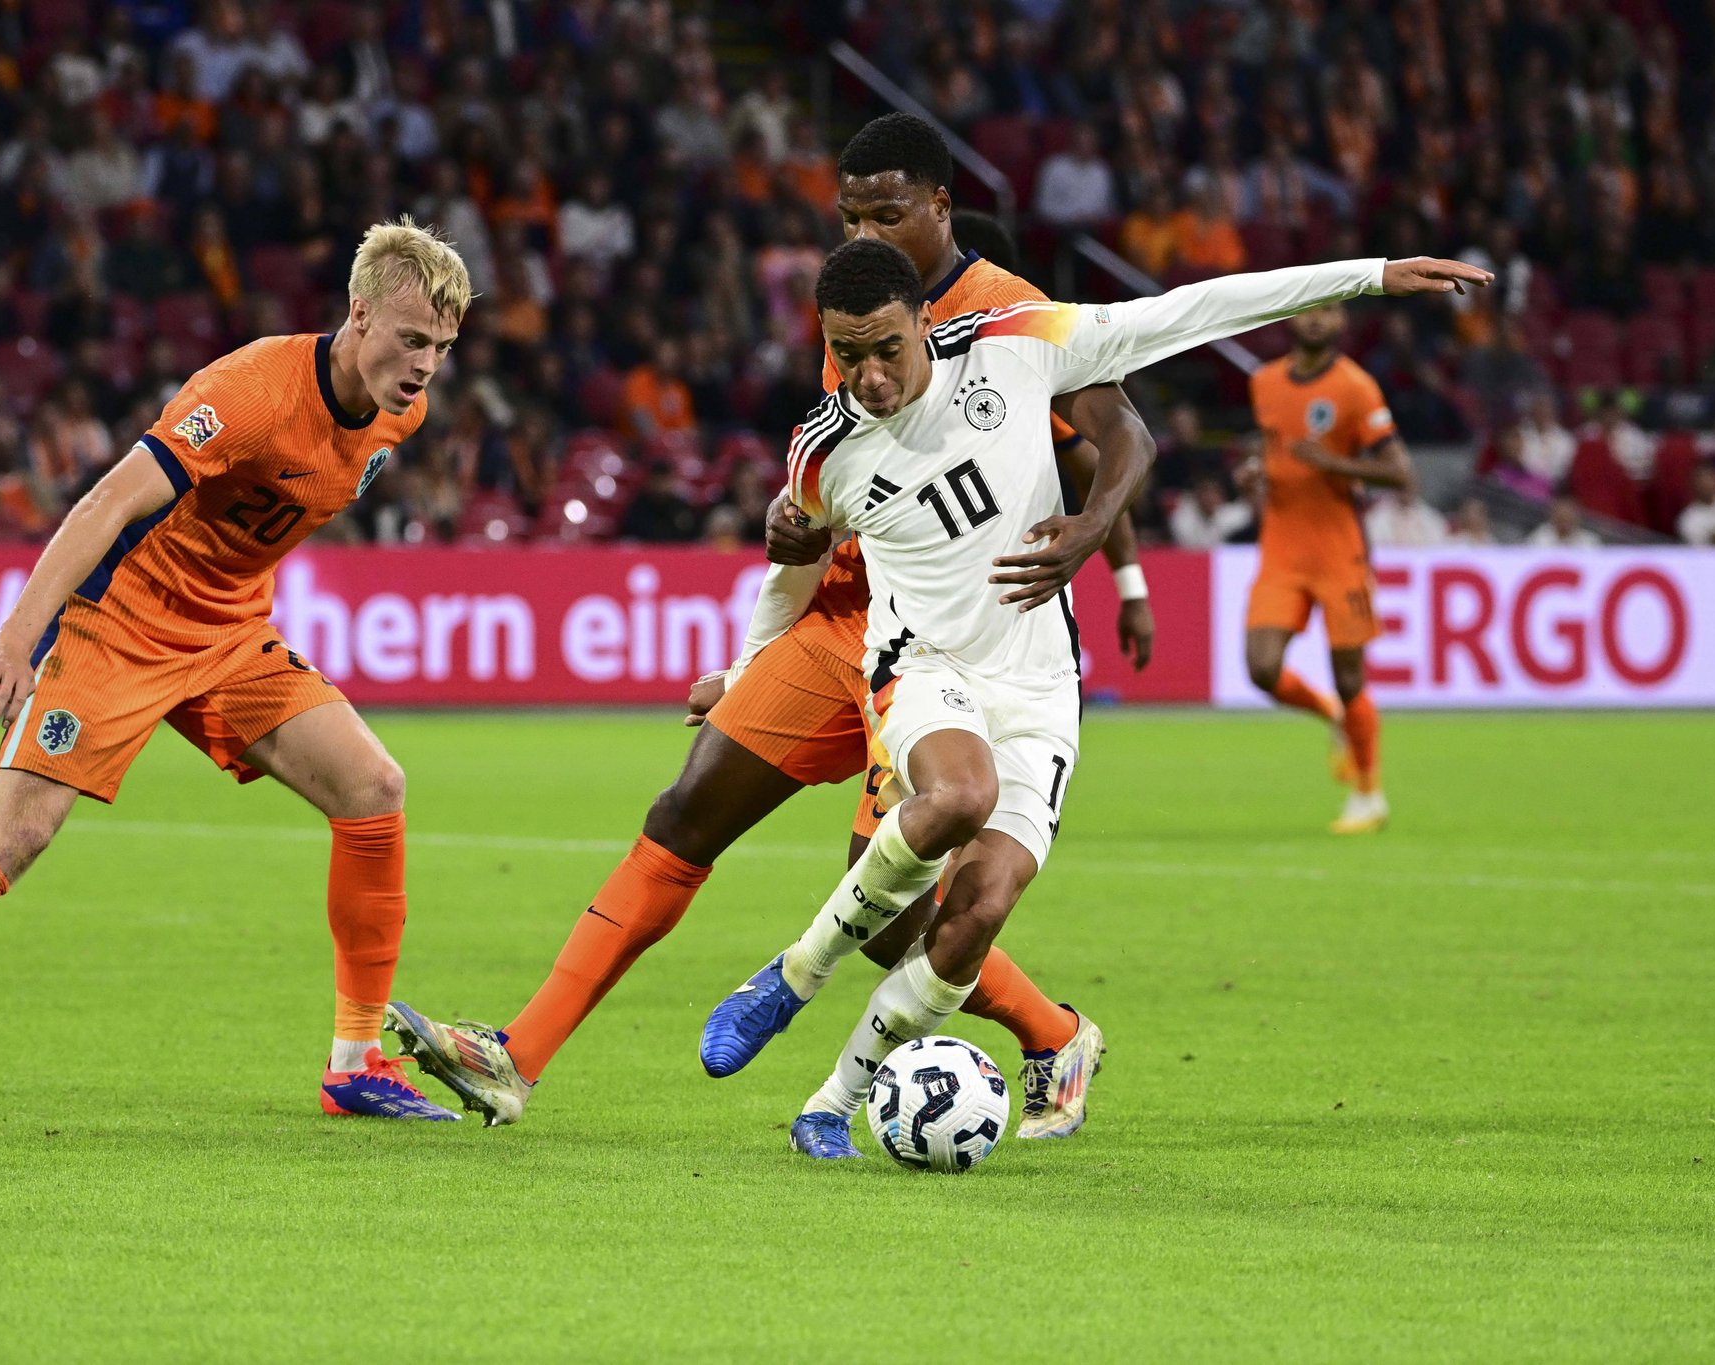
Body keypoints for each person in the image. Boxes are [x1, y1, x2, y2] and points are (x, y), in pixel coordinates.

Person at [385, 114, 1156, 1140]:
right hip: (838, 618)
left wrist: (1123, 566)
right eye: (848, 213)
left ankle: (1052, 1033)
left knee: (886, 916)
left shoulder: (1011, 319)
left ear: (940, 206)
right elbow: (831, 493)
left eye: (886, 211)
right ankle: (514, 1056)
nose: (862, 228)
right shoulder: (853, 306)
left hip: (938, 646)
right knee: (686, 811)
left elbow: (1116, 434)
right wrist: (754, 635)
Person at [697, 238, 1492, 1158]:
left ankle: (832, 1102)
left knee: (981, 907)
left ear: (926, 321)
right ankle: (792, 977)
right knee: (959, 795)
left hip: (1038, 683)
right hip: (923, 662)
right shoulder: (823, 445)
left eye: (885, 349)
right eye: (847, 353)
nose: (869, 376)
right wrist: (746, 674)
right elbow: (789, 577)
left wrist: (1371, 274)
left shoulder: (1016, 345)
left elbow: (1193, 310)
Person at [0, 219, 471, 1125]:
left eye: (442, 345)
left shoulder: (405, 411)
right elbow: (109, 501)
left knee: (374, 786)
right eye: (411, 339)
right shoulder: (247, 392)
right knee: (16, 833)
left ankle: (356, 1064)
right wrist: (17, 637)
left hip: (230, 634)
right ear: (358, 314)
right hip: (122, 623)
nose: (427, 364)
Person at [1240, 301, 1410, 834]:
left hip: (1340, 551)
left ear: (1342, 323)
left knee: (1350, 676)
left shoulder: (1356, 388)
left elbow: (1399, 472)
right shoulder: (1264, 382)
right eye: (1308, 310)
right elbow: (1278, 452)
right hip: (1282, 549)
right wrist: (1258, 475)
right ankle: (1332, 716)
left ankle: (1368, 794)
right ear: (1291, 318)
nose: (1316, 319)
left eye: (1329, 311)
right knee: (1261, 668)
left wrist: (1333, 464)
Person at [1527, 494, 1601, 547]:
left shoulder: (1589, 541)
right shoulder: (1539, 538)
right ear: (1553, 517)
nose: (1564, 523)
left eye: (1568, 518)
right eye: (1561, 518)